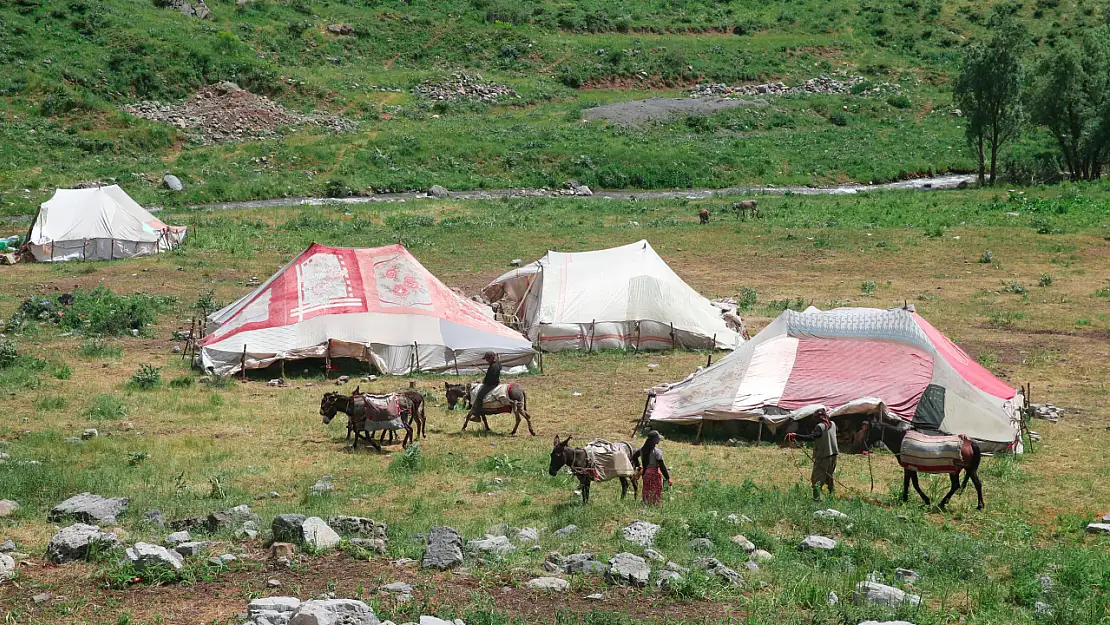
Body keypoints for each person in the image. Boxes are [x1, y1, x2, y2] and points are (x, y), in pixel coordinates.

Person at [786, 409, 839, 501]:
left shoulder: (820, 427)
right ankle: (832, 497)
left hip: (823, 457)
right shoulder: (833, 424)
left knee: (816, 480)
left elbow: (811, 437)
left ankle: (816, 500)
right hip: (834, 455)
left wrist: (796, 435)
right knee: (829, 477)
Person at [632, 430, 671, 506]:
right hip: (655, 474)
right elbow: (662, 466)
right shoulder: (657, 452)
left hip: (645, 473)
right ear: (654, 440)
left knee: (646, 490)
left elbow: (634, 457)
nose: (659, 439)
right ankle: (654, 506)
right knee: (656, 491)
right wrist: (668, 478)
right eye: (658, 438)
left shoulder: (642, 449)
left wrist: (639, 466)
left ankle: (645, 504)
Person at [468, 351, 501, 419]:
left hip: (491, 384)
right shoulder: (496, 363)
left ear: (491, 358)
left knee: (479, 396)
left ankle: (477, 415)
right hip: (494, 382)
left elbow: (491, 378)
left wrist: (483, 382)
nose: (486, 360)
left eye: (487, 359)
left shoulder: (493, 366)